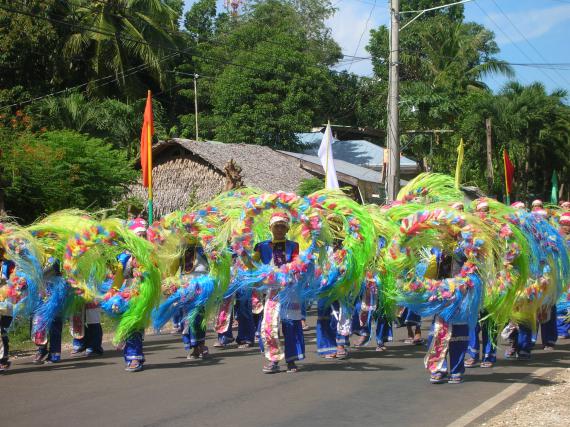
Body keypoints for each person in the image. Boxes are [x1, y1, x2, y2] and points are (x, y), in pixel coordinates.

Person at [255, 212, 304, 374]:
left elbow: (297, 263)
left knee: (290, 324)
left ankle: (291, 360)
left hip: (289, 289)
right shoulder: (261, 246)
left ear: (287, 228)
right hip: (271, 291)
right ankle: (273, 359)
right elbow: (253, 265)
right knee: (269, 324)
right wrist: (241, 252)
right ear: (270, 227)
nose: (280, 229)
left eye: (283, 226)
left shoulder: (293, 245)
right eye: (277, 226)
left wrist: (290, 270)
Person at [180, 246, 209, 360]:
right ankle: (195, 347)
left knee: (198, 315)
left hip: (201, 283)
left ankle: (200, 345)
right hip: (186, 284)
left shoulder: (203, 246)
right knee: (187, 318)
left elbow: (212, 263)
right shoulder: (180, 248)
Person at [0, 246, 15, 372]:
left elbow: (15, 280)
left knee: (2, 330)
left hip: (5, 301)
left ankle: (3, 359)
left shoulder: (9, 264)